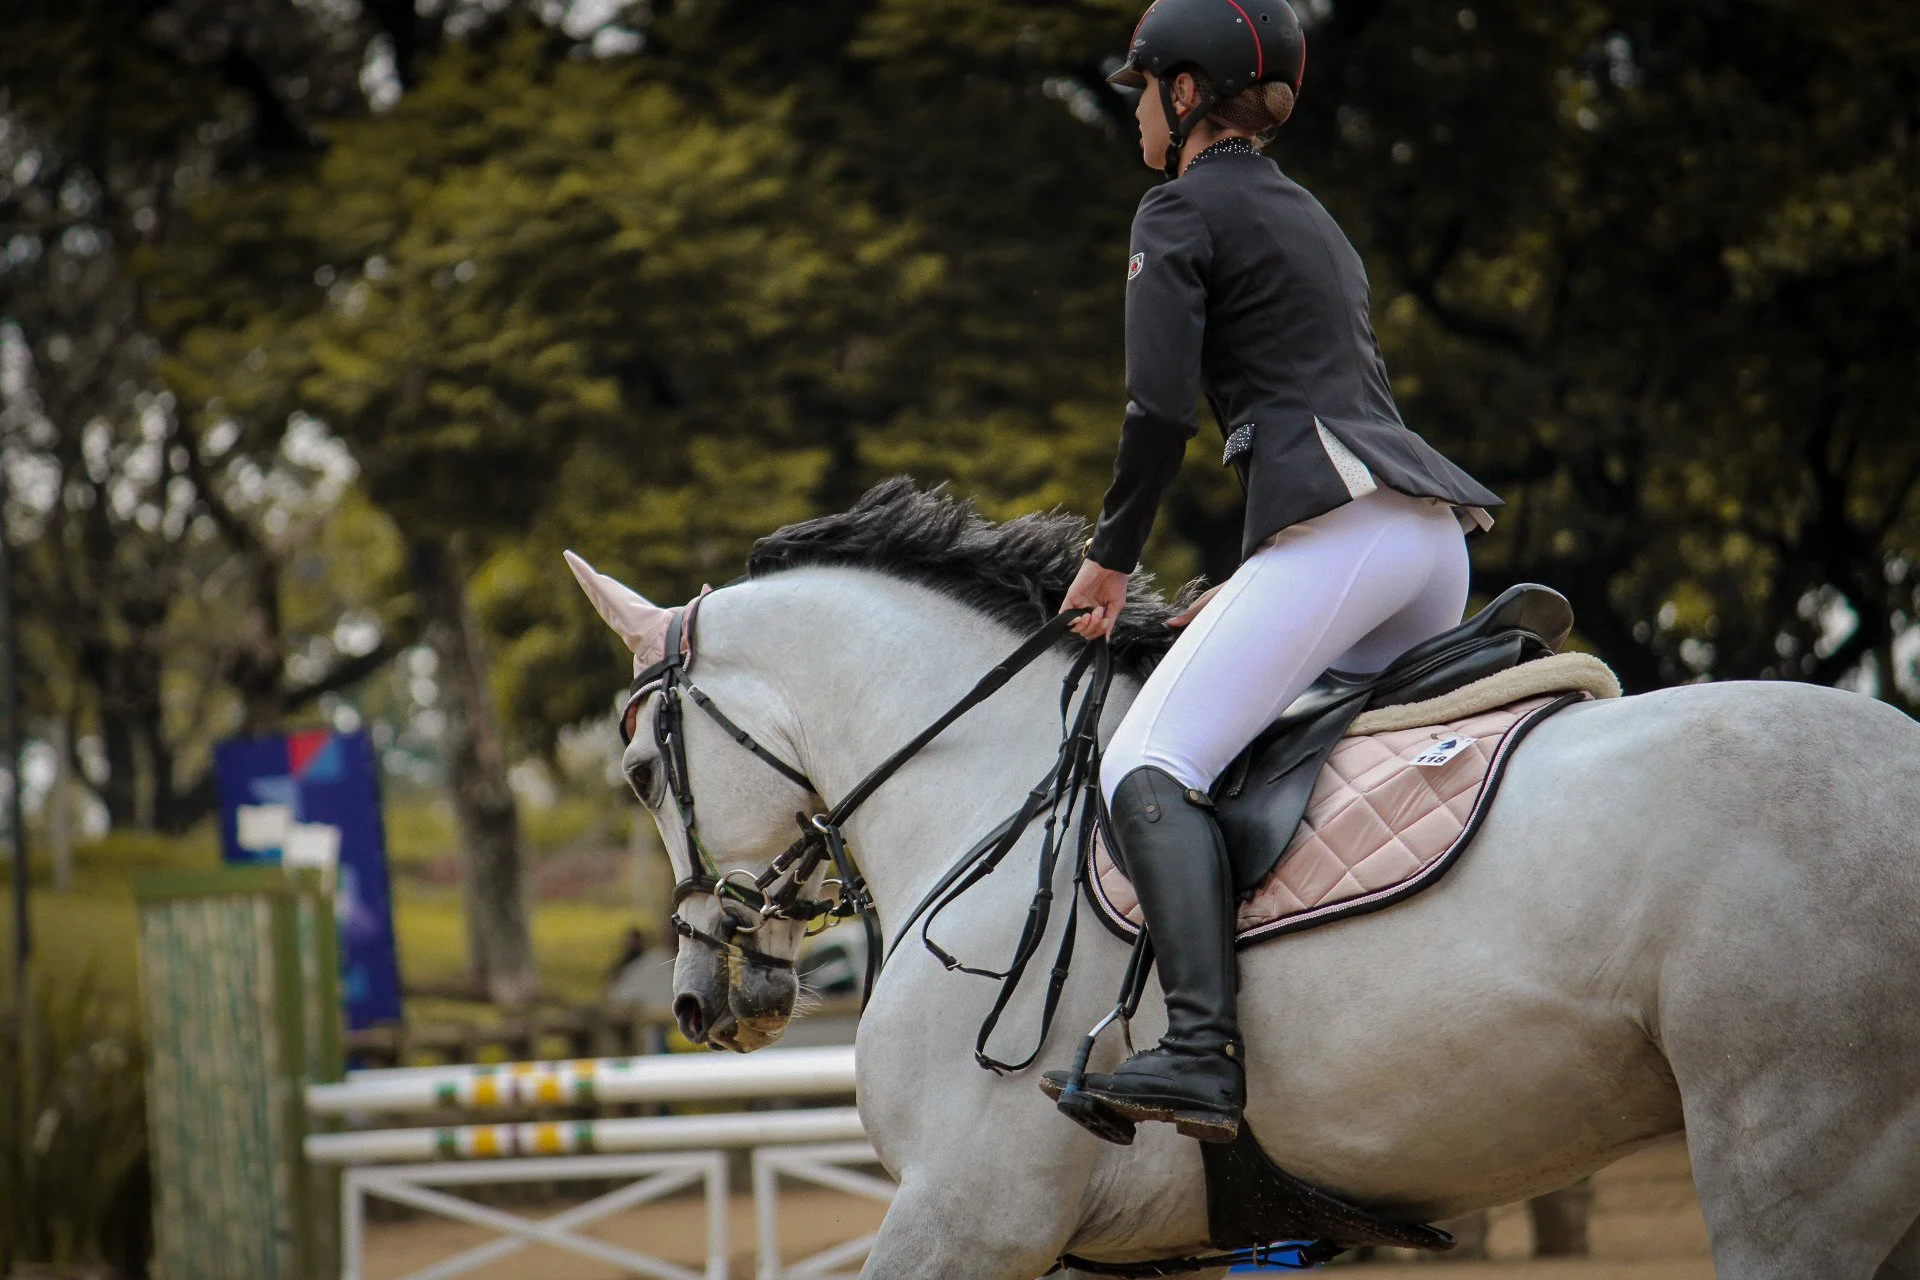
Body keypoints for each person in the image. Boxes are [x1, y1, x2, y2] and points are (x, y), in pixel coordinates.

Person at [1045, 0, 1503, 1145]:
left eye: (1143, 89)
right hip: (1424, 542)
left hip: (1346, 537)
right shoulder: (1311, 216)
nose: (1138, 110)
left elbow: (1157, 411)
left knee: (1150, 758)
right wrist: (1252, 587)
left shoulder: (1177, 207)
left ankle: (1202, 1049)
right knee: (1272, 759)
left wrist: (1110, 559)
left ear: (1186, 94)